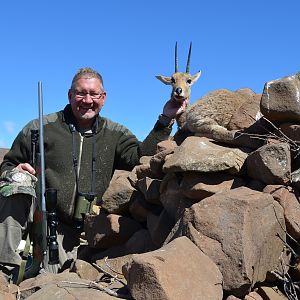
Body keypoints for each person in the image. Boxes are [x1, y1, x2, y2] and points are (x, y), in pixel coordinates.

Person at [0, 67, 188, 280]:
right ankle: (4, 271)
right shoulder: (41, 126)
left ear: (103, 98)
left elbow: (140, 157)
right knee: (16, 182)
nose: (87, 100)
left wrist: (165, 119)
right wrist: (13, 170)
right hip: (46, 220)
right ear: (70, 95)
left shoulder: (116, 133)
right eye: (81, 93)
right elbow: (7, 164)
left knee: (63, 279)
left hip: (86, 231)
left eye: (94, 94)